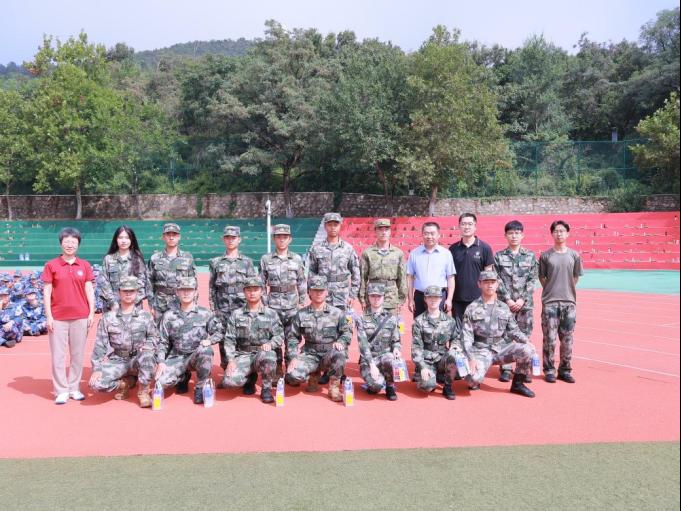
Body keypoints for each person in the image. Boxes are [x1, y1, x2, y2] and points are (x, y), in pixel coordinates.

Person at [41, 227, 96, 404]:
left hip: (80, 316)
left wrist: (91, 312)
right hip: (58, 317)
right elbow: (47, 291)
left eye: (74, 241)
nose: (70, 245)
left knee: (77, 355)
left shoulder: (84, 265)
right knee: (58, 356)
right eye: (66, 241)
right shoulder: (51, 265)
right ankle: (61, 390)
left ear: (78, 244)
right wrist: (49, 316)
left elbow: (89, 289)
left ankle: (74, 388)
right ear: (61, 244)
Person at [461, 271, 536, 398]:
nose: (490, 285)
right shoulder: (472, 308)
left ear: (497, 284)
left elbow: (513, 330)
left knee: (527, 349)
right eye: (486, 282)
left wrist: (526, 341)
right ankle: (477, 375)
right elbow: (466, 337)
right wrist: (470, 358)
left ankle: (518, 384)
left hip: (500, 349)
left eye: (492, 282)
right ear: (479, 284)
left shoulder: (504, 307)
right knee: (472, 379)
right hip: (481, 350)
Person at [306, 212, 360, 384]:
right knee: (324, 330)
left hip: (342, 296)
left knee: (343, 330)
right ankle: (326, 368)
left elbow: (356, 272)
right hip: (322, 296)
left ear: (340, 226)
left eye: (335, 224)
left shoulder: (348, 249)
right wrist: (311, 293)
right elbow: (311, 273)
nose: (333, 227)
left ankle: (339, 368)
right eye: (329, 224)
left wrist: (352, 294)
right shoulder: (317, 249)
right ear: (325, 226)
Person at [88, 277, 158, 407]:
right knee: (95, 384)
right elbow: (100, 345)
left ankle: (143, 392)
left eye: (131, 291)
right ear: (119, 293)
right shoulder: (108, 318)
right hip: (117, 359)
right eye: (125, 291)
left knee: (148, 357)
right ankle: (124, 384)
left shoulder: (145, 316)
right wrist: (97, 369)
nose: (128, 294)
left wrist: (148, 347)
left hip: (138, 359)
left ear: (137, 293)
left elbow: (153, 336)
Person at [154, 277, 224, 405]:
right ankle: (182, 377)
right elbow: (162, 342)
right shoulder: (169, 316)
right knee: (161, 381)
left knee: (206, 351)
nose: (186, 293)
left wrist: (210, 340)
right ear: (177, 292)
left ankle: (200, 387)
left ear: (195, 292)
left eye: (189, 290)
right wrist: (161, 362)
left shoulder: (205, 313)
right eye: (182, 290)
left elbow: (219, 332)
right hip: (177, 356)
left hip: (195, 355)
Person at [286, 276, 351, 402]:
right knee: (293, 375)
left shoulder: (337, 313)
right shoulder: (301, 314)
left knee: (340, 354)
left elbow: (347, 332)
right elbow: (293, 337)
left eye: (321, 290)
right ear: (309, 292)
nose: (318, 293)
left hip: (329, 353)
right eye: (315, 290)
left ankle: (334, 387)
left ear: (326, 292)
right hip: (309, 354)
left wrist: (341, 341)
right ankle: (313, 375)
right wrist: (293, 357)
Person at [221, 277, 284, 404]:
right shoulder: (236, 314)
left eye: (256, 289)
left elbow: (279, 336)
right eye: (249, 290)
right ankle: (250, 379)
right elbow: (229, 339)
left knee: (269, 356)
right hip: (243, 355)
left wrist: (270, 344)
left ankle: (266, 389)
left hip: (262, 353)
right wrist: (231, 360)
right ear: (244, 292)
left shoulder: (271, 314)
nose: (252, 293)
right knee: (229, 382)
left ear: (262, 291)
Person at [539, 220, 584, 384]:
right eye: (556, 231)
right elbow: (542, 277)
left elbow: (576, 276)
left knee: (567, 340)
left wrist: (566, 289)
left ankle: (565, 370)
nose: (559, 234)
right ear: (552, 234)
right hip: (550, 303)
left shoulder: (574, 255)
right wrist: (551, 289)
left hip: (569, 303)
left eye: (562, 231)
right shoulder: (545, 256)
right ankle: (549, 370)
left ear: (568, 233)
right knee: (549, 339)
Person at [260, 224, 306, 379]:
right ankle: (277, 368)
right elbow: (261, 283)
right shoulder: (266, 259)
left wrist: (302, 301)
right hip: (273, 306)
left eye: (285, 237)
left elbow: (301, 281)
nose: (281, 239)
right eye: (278, 236)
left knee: (292, 338)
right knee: (274, 338)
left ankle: (291, 367)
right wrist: (265, 303)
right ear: (274, 239)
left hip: (292, 306)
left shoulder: (297, 259)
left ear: (290, 239)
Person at [494, 220, 539, 382]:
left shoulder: (530, 256)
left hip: (524, 306)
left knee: (525, 337)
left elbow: (532, 280)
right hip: (505, 305)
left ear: (522, 235)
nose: (514, 236)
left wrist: (521, 299)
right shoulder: (499, 256)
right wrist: (508, 299)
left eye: (517, 233)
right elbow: (497, 279)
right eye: (511, 233)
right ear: (505, 235)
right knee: (504, 336)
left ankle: (523, 370)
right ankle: (505, 369)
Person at [209, 225, 257, 372]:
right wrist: (214, 308)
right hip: (223, 308)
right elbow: (212, 287)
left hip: (242, 307)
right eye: (227, 237)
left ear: (239, 239)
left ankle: (246, 371)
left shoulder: (247, 262)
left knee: (244, 337)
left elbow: (253, 286)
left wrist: (252, 308)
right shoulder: (216, 262)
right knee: (223, 339)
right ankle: (227, 370)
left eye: (233, 238)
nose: (230, 240)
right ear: (223, 239)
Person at [411, 285, 462, 400]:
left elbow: (456, 338)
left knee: (454, 354)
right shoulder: (418, 321)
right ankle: (432, 376)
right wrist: (422, 367)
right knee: (427, 386)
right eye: (430, 297)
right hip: (427, 360)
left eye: (436, 297)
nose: (433, 300)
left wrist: (455, 347)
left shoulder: (449, 321)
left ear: (441, 299)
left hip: (442, 359)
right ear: (425, 299)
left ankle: (447, 387)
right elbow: (416, 348)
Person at [357, 283, 402, 401]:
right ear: (368, 297)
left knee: (391, 358)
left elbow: (396, 340)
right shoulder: (361, 318)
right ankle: (377, 382)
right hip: (369, 360)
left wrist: (396, 348)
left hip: (385, 357)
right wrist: (372, 365)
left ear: (383, 297)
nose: (376, 299)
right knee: (376, 386)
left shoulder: (391, 318)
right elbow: (363, 345)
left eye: (379, 296)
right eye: (373, 296)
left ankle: (390, 386)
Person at [449, 213, 494, 325]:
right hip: (457, 299)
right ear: (459, 226)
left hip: (478, 299)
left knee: (479, 331)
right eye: (463, 224)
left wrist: (488, 296)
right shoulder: (453, 249)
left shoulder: (485, 248)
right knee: (459, 332)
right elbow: (449, 275)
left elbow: (488, 276)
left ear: (475, 226)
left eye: (470, 224)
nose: (466, 227)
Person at [147, 223, 197, 325]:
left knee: (180, 330)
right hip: (160, 304)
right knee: (159, 332)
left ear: (179, 237)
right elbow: (149, 283)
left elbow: (194, 283)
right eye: (168, 234)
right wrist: (151, 305)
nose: (171, 237)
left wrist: (193, 304)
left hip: (181, 302)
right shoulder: (155, 258)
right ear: (163, 237)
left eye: (174, 234)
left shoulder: (187, 258)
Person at [406, 222, 456, 319]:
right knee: (419, 325)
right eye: (426, 233)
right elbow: (410, 277)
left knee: (440, 325)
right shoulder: (414, 254)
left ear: (438, 235)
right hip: (420, 297)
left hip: (439, 297)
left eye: (432, 233)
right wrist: (411, 299)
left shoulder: (446, 254)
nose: (429, 236)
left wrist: (449, 299)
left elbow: (450, 278)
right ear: (422, 235)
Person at [359, 218, 407, 314]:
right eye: (380, 229)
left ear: (390, 231)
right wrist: (362, 298)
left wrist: (401, 299)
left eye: (386, 229)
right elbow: (363, 277)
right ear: (375, 231)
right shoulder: (367, 253)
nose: (383, 232)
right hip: (373, 295)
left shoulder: (398, 253)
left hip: (391, 297)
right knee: (371, 322)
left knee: (391, 322)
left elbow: (402, 278)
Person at [99, 225, 149, 313]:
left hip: (133, 306)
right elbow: (104, 282)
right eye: (120, 237)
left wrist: (131, 302)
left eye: (127, 238)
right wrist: (113, 303)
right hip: (113, 307)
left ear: (131, 240)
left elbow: (143, 282)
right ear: (116, 239)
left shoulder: (137, 259)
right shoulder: (108, 259)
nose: (123, 241)